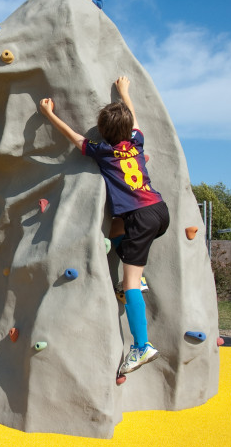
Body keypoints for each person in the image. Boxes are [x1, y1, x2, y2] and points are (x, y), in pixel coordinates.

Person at [39, 76, 170, 374]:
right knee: (116, 233)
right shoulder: (136, 142)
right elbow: (135, 119)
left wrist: (48, 115)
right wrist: (125, 92)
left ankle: (141, 346)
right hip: (158, 211)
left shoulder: (103, 151)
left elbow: (73, 137)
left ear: (104, 132)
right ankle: (137, 277)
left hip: (138, 216)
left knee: (131, 284)